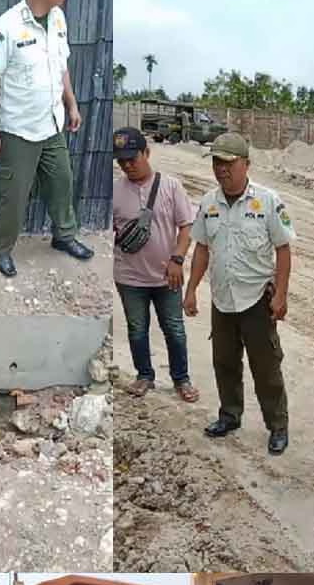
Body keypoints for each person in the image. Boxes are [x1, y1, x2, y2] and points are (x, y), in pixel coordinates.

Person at [183, 132, 295, 455]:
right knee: (225, 363)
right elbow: (202, 249)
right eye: (217, 162)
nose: (221, 169)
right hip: (223, 299)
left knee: (266, 367)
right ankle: (230, 415)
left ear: (246, 163)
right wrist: (191, 289)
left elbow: (284, 250)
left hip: (256, 299)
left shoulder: (268, 201)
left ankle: (278, 425)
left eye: (228, 163)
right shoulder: (208, 202)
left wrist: (281, 295)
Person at [0, 0, 92, 277]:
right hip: (19, 129)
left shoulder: (57, 17)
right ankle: (1, 248)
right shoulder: (7, 26)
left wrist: (71, 104)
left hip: (52, 124)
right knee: (14, 196)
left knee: (62, 183)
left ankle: (64, 236)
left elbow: (61, 65)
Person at [112, 127, 198, 402]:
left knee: (174, 328)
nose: (127, 166)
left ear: (146, 153)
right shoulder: (113, 191)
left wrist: (177, 259)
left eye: (132, 159)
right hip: (129, 278)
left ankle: (181, 379)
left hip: (166, 277)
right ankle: (144, 375)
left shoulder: (171, 187)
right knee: (137, 328)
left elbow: (186, 226)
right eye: (121, 161)